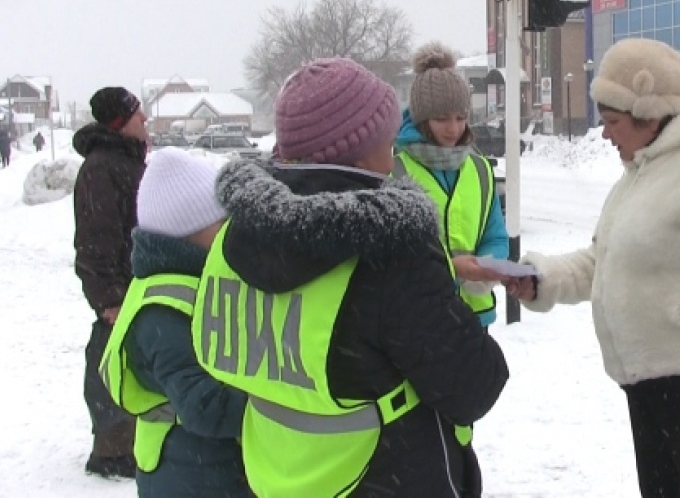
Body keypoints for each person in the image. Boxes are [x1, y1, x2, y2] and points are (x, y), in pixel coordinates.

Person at [192, 57, 508, 497]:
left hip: (276, 471)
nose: (392, 155)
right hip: (385, 472)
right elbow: (474, 385)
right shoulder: (392, 250)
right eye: (385, 141)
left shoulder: (235, 236)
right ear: (359, 150)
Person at [506, 38, 680, 497]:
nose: (606, 134)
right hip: (651, 392)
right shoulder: (640, 175)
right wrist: (542, 280)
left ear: (649, 115)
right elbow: (604, 262)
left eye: (612, 122)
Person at [99, 148, 248, 496]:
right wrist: (278, 398)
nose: (233, 231)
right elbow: (205, 408)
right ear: (191, 233)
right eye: (223, 223)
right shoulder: (162, 311)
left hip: (205, 467)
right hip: (189, 475)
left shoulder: (188, 280)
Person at [395, 41, 508, 327]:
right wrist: (451, 268)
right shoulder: (393, 168)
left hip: (473, 317)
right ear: (421, 120)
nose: (453, 129)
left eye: (460, 118)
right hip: (414, 318)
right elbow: (392, 253)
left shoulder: (480, 169)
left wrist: (487, 265)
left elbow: (495, 236)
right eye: (442, 118)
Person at [73, 86, 150, 479]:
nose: (146, 121)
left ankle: (128, 443)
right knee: (111, 364)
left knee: (132, 366)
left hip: (139, 286)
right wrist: (109, 300)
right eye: (139, 116)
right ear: (121, 124)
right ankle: (114, 450)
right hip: (122, 293)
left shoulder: (125, 162)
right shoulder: (101, 169)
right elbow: (94, 241)